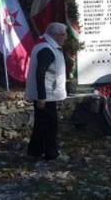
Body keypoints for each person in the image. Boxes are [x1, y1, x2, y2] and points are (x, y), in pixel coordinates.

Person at [25, 22, 68, 161]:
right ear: (54, 35)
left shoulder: (46, 45)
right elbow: (40, 73)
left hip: (47, 92)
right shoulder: (47, 49)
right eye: (63, 34)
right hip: (47, 94)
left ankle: (34, 151)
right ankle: (51, 153)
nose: (66, 37)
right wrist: (42, 97)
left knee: (41, 124)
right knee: (50, 125)